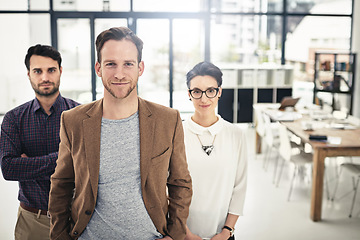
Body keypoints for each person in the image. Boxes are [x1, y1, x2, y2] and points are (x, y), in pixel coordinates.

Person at [48, 26, 192, 240]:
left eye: (128, 64)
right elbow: (61, 184)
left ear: (140, 68)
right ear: (98, 68)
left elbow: (180, 182)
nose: (119, 73)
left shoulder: (167, 120)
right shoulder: (73, 121)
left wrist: (176, 233)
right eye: (110, 64)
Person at [0, 44, 80, 240]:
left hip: (75, 220)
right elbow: (9, 169)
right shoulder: (13, 119)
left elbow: (90, 165)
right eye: (38, 71)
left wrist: (29, 164)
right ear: (29, 74)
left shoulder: (80, 115)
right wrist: (65, 157)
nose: (45, 77)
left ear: (60, 71)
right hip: (32, 221)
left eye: (51, 70)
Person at [183, 62, 247, 240]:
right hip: (183, 234)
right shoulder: (177, 133)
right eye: (196, 91)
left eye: (210, 91)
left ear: (219, 92)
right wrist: (185, 233)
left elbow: (240, 187)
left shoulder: (236, 134)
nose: (204, 99)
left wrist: (227, 231)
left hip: (223, 234)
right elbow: (167, 189)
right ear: (189, 94)